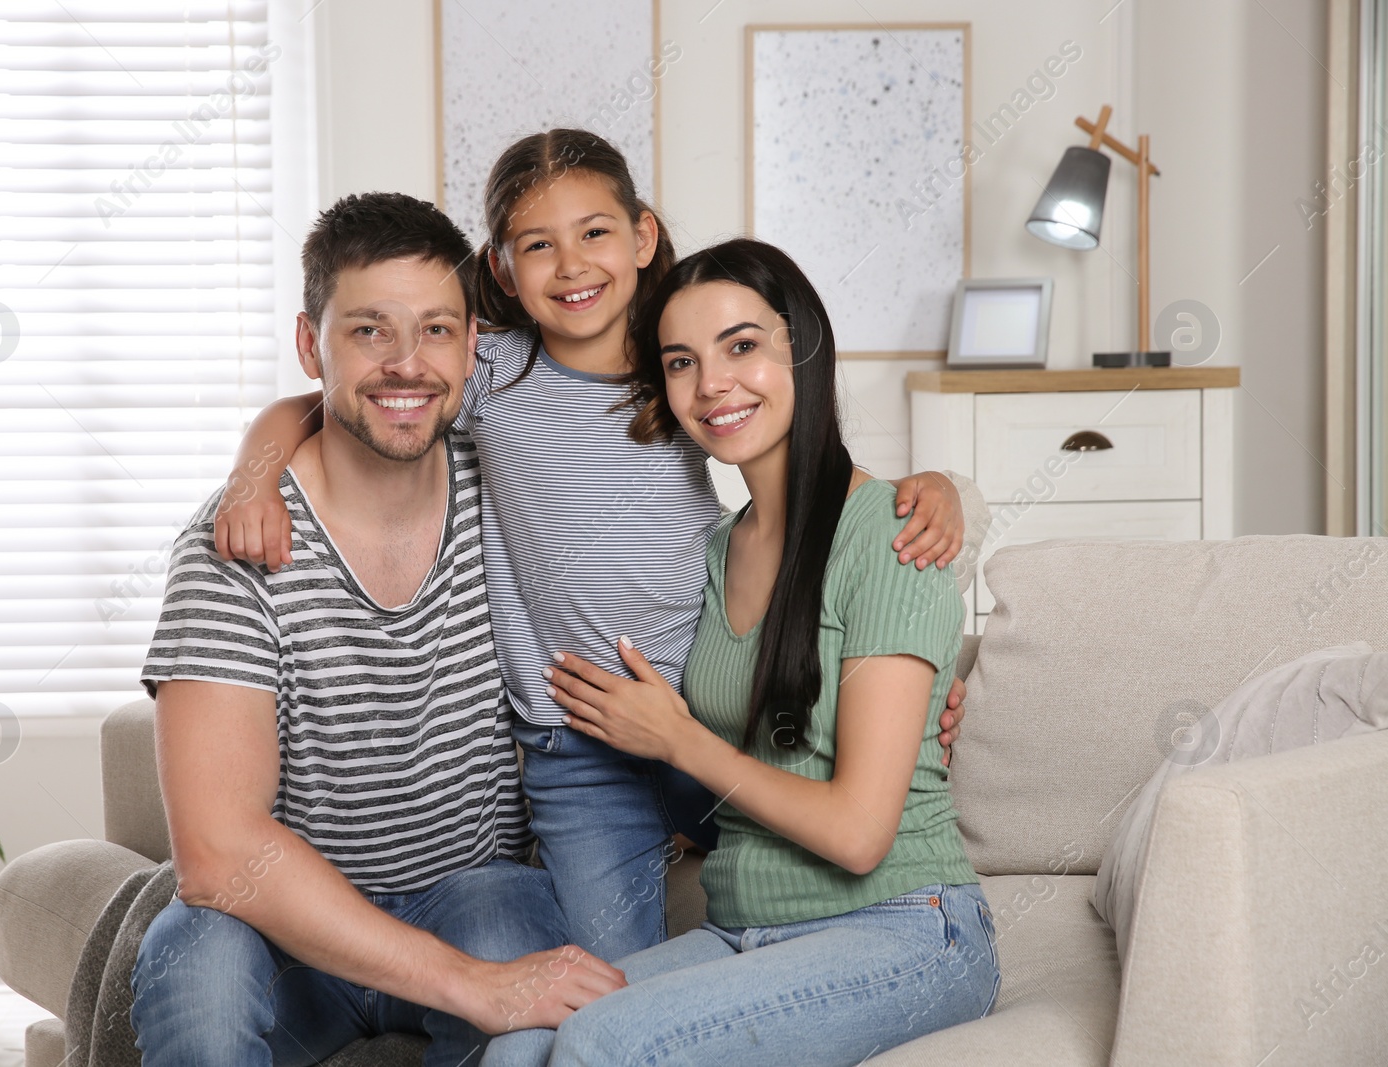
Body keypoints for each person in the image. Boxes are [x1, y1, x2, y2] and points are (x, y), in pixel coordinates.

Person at [213, 128, 971, 964]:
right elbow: (318, 404)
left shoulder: (680, 363)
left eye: (595, 233)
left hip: (707, 702)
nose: (571, 265)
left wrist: (936, 485)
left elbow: (816, 474)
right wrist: (253, 477)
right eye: (539, 245)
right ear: (501, 270)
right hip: (575, 749)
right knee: (606, 973)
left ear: (643, 237)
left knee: (796, 860)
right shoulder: (486, 370)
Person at [129, 192, 624, 1067]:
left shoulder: (512, 483)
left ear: (473, 345)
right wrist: (467, 985)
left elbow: (708, 509)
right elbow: (216, 851)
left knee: (527, 951)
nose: (407, 364)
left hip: (474, 892)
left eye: (435, 330)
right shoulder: (236, 542)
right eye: (369, 331)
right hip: (280, 928)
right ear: (309, 345)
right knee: (194, 965)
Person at [506, 238, 999, 1066]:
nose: (712, 386)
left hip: (906, 925)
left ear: (803, 345)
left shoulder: (889, 534)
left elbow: (857, 835)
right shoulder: (715, 550)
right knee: (521, 1039)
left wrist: (678, 740)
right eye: (681, 361)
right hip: (745, 930)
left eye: (741, 346)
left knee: (602, 1042)